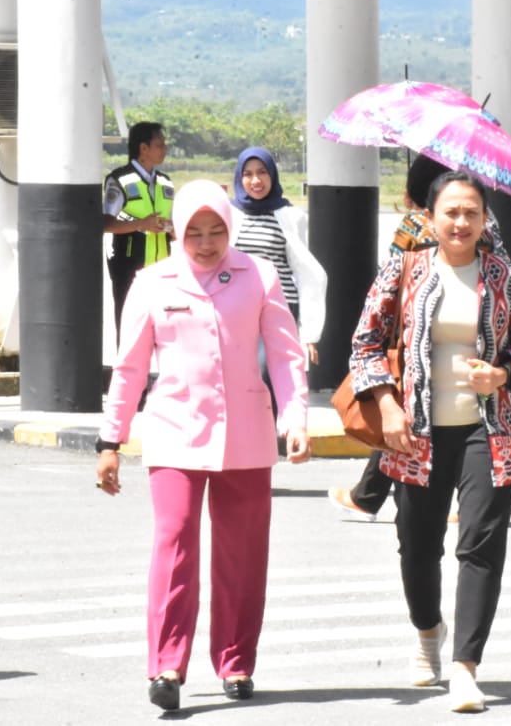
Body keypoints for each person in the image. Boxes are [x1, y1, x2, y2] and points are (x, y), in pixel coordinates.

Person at [95, 179, 311, 713]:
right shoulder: (151, 282)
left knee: (242, 556)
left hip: (246, 436)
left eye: (217, 230)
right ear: (178, 229)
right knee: (174, 546)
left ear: (229, 227)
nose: (207, 242)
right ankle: (167, 665)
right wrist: (110, 439)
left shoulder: (257, 275)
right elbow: (128, 367)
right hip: (174, 432)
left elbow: (285, 354)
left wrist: (296, 417)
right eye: (195, 232)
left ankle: (236, 663)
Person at [348, 171, 511, 713]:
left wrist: (503, 373)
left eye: (472, 213)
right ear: (430, 218)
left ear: (486, 220)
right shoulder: (405, 269)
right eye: (451, 213)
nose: (461, 222)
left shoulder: (506, 276)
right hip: (416, 431)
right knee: (417, 547)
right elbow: (364, 345)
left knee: (480, 545)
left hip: (490, 429)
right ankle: (427, 631)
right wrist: (387, 407)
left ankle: (465, 668)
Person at [328, 155, 499, 523]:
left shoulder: (413, 227)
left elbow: (385, 289)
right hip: (472, 361)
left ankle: (369, 497)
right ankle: (371, 496)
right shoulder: (486, 227)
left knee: (405, 426)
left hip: (414, 358)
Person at [230, 146, 327, 366]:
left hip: (278, 306)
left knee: (267, 372)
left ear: (272, 174)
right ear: (239, 177)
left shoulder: (290, 216)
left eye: (262, 172)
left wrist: (310, 333)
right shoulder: (229, 215)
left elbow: (308, 273)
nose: (256, 180)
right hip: (235, 308)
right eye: (248, 174)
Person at [103, 121, 175, 341]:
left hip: (163, 267)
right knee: (129, 329)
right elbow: (105, 223)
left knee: (164, 328)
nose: (165, 149)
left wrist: (171, 228)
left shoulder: (166, 183)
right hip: (129, 267)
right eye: (160, 144)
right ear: (144, 148)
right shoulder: (120, 180)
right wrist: (140, 225)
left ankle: (159, 375)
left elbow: (173, 224)